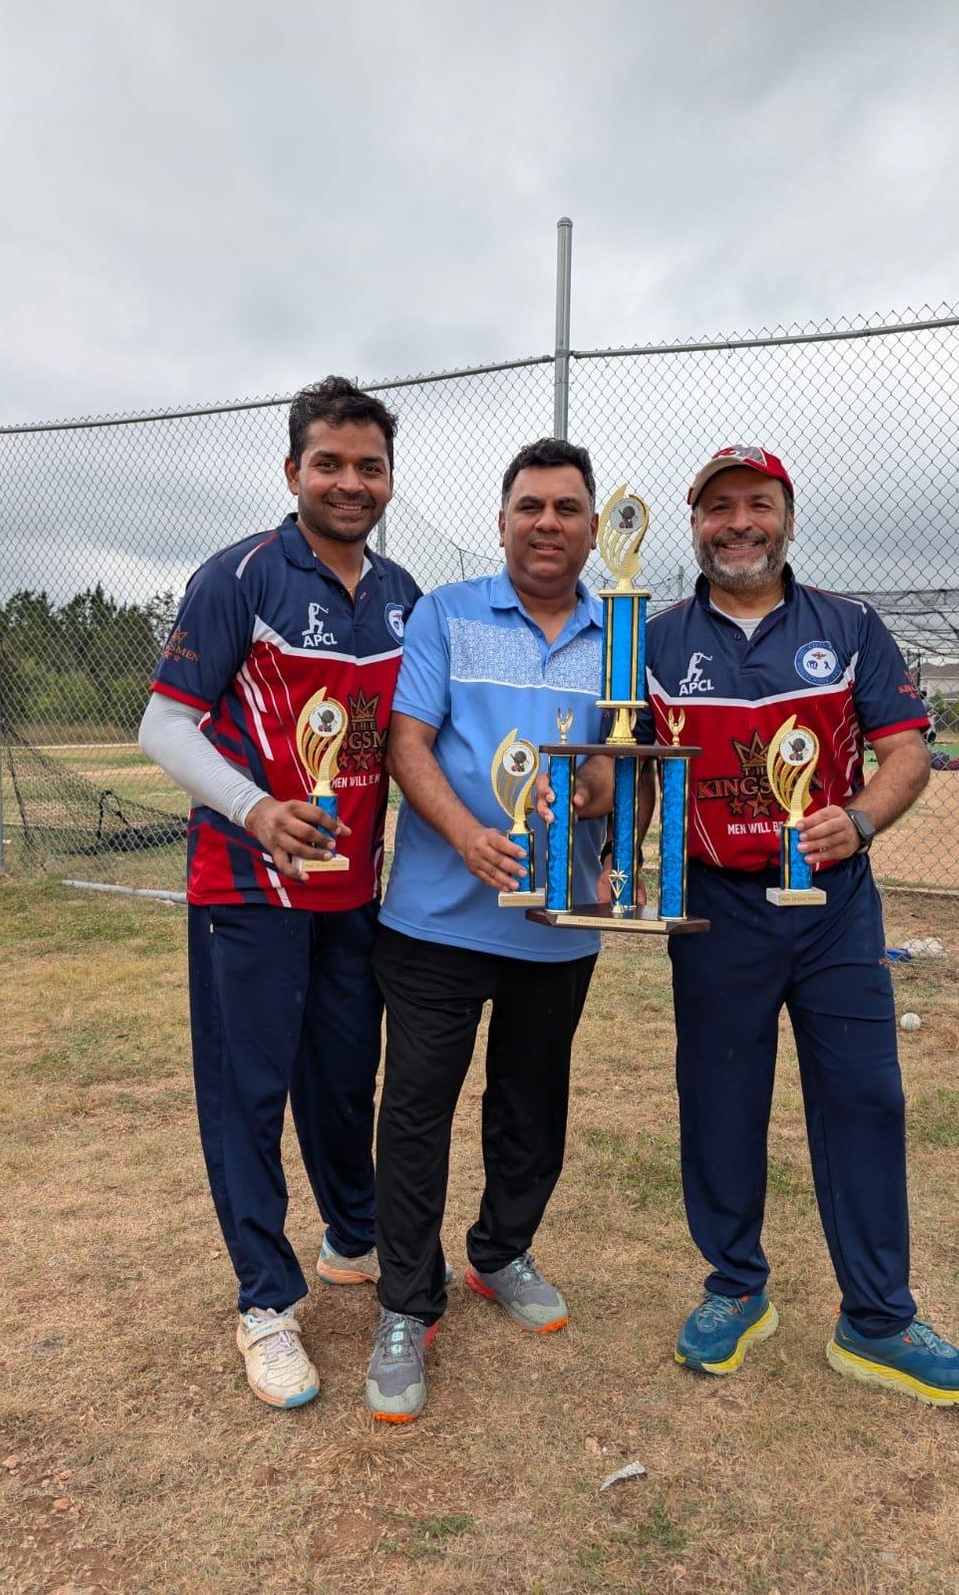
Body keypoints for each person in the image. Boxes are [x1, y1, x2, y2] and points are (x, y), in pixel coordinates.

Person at [559, 444, 959, 1407]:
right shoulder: (655, 639)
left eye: (758, 504)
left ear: (787, 517)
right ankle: (734, 1287)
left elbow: (906, 753)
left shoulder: (850, 625)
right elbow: (632, 772)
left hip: (834, 905)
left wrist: (864, 816)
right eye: (718, 508)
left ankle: (877, 1318)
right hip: (715, 907)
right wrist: (595, 836)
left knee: (866, 1097)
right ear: (695, 524)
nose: (739, 523)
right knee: (719, 1101)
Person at [139, 376, 420, 1408]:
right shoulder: (240, 577)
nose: (351, 482)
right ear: (293, 470)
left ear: (389, 477)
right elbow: (162, 726)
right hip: (248, 890)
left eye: (369, 465)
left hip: (352, 896)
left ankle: (354, 1235)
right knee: (248, 1096)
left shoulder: (403, 595)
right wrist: (257, 809)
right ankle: (266, 1299)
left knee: (346, 1082)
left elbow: (413, 740)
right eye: (330, 463)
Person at [363, 437, 607, 1423]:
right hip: (434, 917)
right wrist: (464, 833)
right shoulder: (447, 612)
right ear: (502, 519)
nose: (547, 523)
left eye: (567, 508)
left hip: (559, 920)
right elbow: (405, 741)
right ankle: (402, 1301)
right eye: (530, 506)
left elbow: (625, 765)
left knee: (531, 1102)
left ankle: (500, 1250)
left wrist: (602, 790)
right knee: (417, 1107)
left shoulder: (623, 631)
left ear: (593, 527)